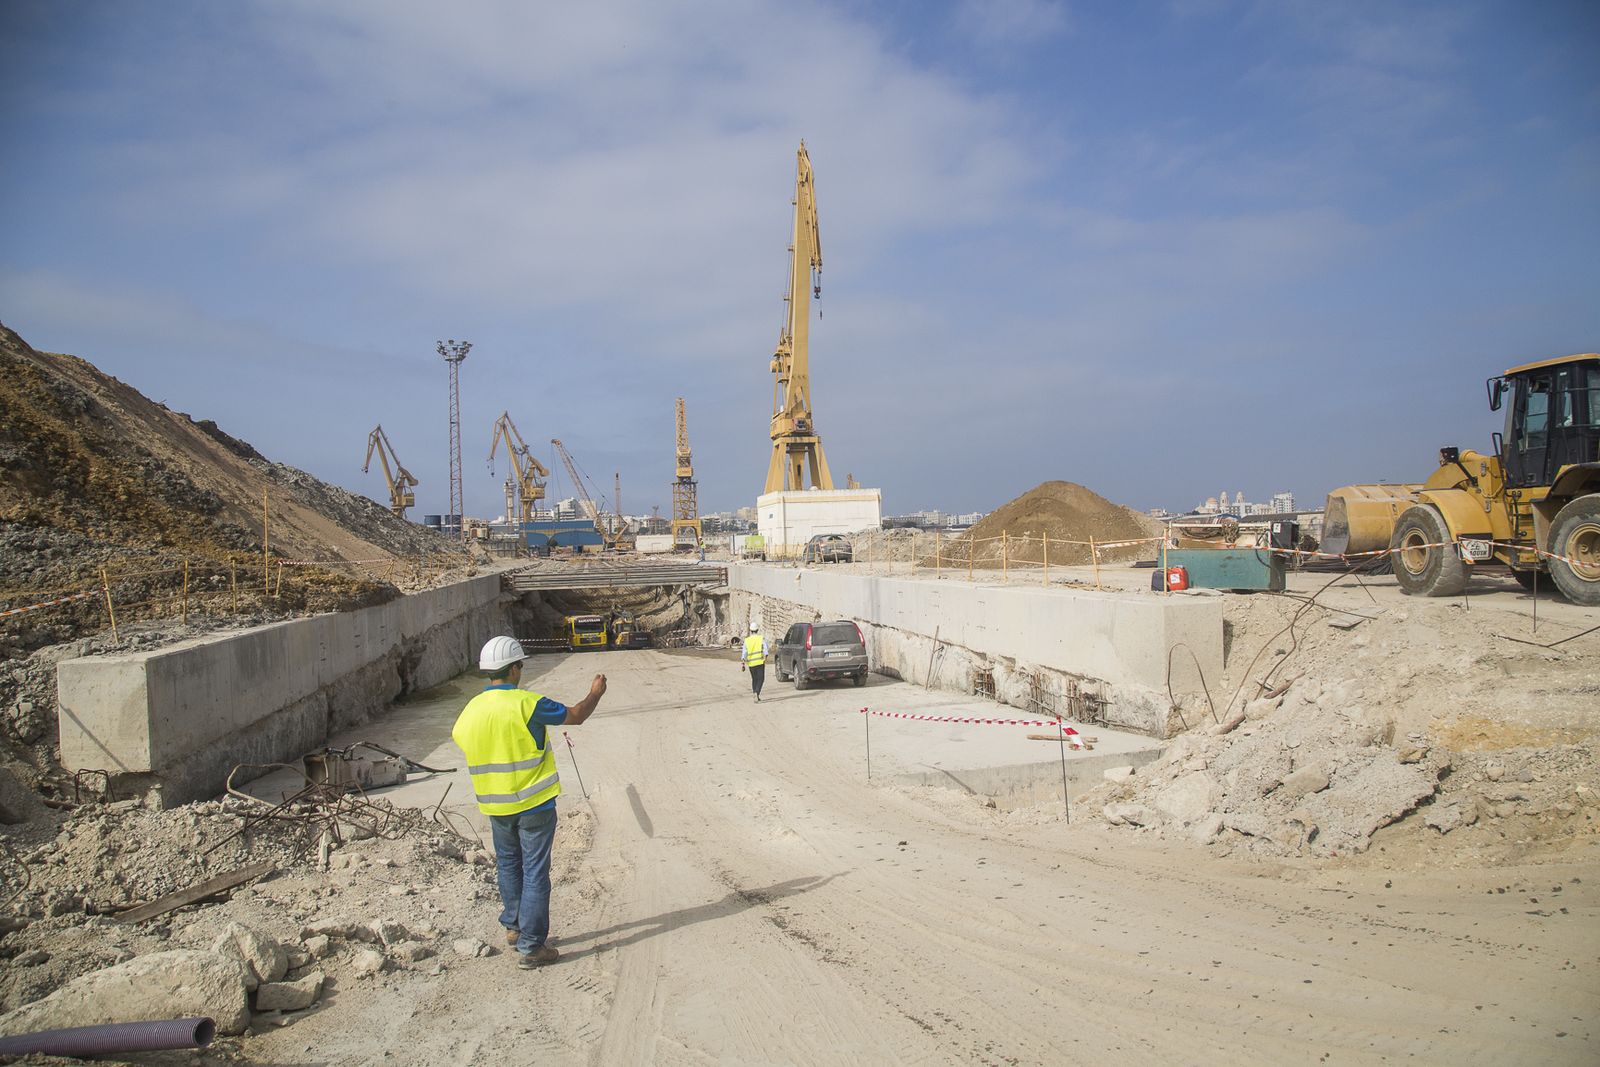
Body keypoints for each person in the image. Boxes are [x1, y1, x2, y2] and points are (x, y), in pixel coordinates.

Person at [452, 636, 607, 969]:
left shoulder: (471, 710)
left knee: (509, 865)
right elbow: (576, 715)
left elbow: (462, 739)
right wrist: (595, 693)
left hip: (496, 806)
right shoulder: (528, 703)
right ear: (514, 669)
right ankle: (532, 946)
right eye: (520, 665)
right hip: (534, 804)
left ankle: (514, 927)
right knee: (535, 871)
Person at [740, 621, 768, 702]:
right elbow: (765, 649)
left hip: (751, 663)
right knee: (761, 679)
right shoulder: (761, 638)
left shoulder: (747, 640)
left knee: (754, 679)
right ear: (757, 630)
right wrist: (765, 658)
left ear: (750, 630)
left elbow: (744, 652)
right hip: (760, 662)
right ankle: (757, 693)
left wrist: (743, 663)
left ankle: (755, 694)